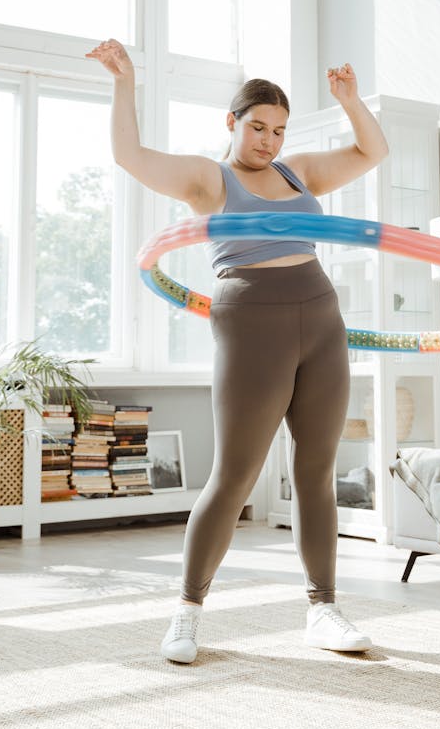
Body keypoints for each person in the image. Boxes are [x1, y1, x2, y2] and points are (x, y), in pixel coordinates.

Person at [87, 38, 389, 664]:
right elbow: (129, 155)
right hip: (250, 319)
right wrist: (125, 82)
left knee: (316, 471)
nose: (269, 142)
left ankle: (323, 609)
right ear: (233, 122)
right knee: (235, 476)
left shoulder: (297, 171)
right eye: (258, 128)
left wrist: (351, 101)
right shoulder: (208, 178)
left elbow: (373, 150)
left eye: (278, 131)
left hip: (322, 316)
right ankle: (186, 614)